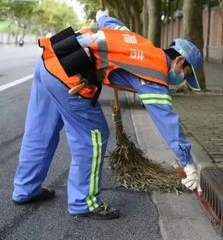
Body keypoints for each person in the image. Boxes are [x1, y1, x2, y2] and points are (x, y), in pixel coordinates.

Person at [12, 11, 203, 220]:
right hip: (69, 75)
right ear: (179, 60)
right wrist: (187, 163)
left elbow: (110, 23)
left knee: (40, 130)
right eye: (185, 75)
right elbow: (168, 123)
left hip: (50, 59)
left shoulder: (139, 42)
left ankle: (25, 189)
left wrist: (102, 15)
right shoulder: (154, 74)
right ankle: (84, 202)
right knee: (93, 136)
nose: (181, 80)